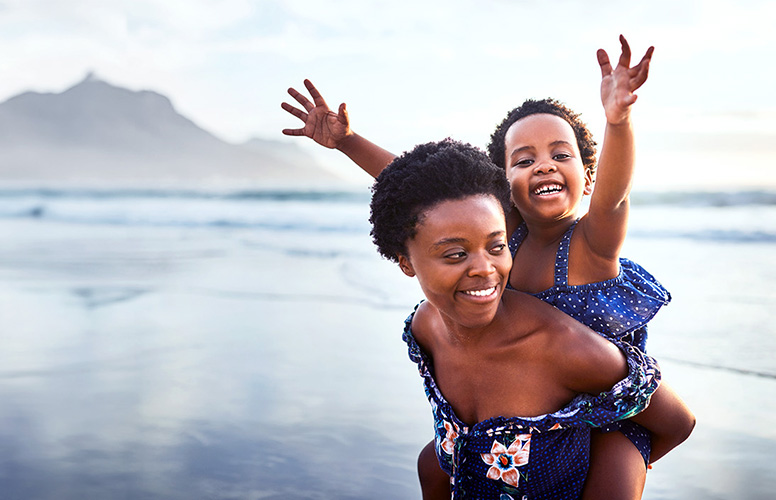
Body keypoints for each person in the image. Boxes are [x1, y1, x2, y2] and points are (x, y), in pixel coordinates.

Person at [282, 36, 675, 498]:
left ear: (588, 176)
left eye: (560, 155)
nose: (544, 166)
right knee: (434, 465)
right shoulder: (503, 235)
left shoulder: (592, 242)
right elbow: (424, 195)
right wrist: (348, 142)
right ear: (501, 184)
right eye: (525, 160)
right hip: (532, 397)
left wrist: (619, 121)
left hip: (610, 407)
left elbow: (614, 196)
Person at [369, 138, 693, 499]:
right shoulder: (425, 330)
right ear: (406, 262)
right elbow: (419, 194)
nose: (485, 269)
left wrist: (618, 459)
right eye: (456, 254)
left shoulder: (563, 346)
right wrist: (347, 142)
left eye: (497, 246)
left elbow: (677, 422)